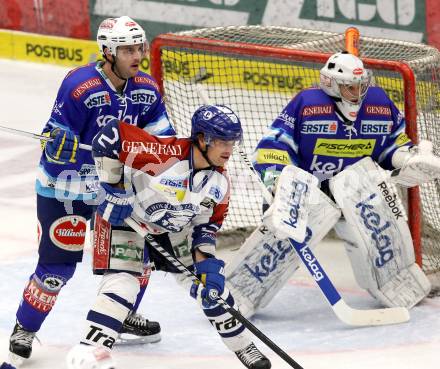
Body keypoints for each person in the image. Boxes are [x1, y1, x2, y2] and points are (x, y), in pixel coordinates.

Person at [7, 15, 175, 365]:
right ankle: (24, 328)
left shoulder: (146, 87)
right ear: (108, 52)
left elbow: (163, 140)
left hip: (114, 188)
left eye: (138, 48)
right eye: (127, 50)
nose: (137, 56)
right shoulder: (80, 85)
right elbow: (52, 139)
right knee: (56, 269)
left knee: (134, 262)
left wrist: (149, 153)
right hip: (66, 187)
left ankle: (121, 314)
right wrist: (59, 145)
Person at [65, 105, 271, 369]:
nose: (228, 149)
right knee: (124, 284)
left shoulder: (219, 184)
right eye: (221, 141)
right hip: (125, 220)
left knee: (213, 292)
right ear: (202, 139)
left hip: (172, 227)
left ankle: (245, 347)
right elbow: (110, 136)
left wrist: (206, 265)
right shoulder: (166, 153)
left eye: (232, 141)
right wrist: (114, 189)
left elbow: (206, 226)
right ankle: (88, 351)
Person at [252, 51, 433, 310]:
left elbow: (391, 145)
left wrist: (406, 158)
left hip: (354, 188)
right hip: (308, 189)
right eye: (350, 87)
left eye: (361, 86)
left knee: (380, 235)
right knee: (279, 239)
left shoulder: (379, 104)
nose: (357, 92)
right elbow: (274, 144)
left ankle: (395, 281)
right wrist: (277, 180)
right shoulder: (308, 104)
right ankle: (246, 285)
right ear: (331, 84)